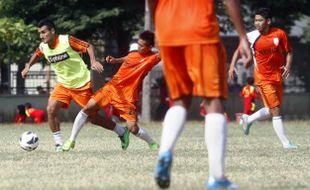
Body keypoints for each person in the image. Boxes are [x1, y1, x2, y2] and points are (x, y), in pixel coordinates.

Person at [148, 0, 252, 189]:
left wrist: (158, 25)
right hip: (200, 29)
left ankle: (165, 152)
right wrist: (242, 36)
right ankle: (217, 177)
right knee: (213, 103)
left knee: (179, 101)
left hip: (167, 29)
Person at [21, 19, 129, 152]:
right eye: (40, 33)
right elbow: (37, 54)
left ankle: (122, 131)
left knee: (94, 119)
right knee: (51, 109)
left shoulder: (67, 40)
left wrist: (93, 61)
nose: (41, 36)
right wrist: (27, 67)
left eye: (43, 32)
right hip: (63, 84)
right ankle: (58, 144)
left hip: (82, 84)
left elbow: (88, 46)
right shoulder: (43, 46)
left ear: (52, 31)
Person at [62, 31, 161, 151]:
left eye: (142, 45)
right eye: (138, 44)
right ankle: (71, 140)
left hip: (127, 96)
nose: (139, 47)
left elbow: (166, 53)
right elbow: (129, 58)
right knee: (87, 108)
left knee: (133, 128)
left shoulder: (152, 59)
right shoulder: (134, 51)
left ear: (150, 47)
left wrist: (160, 40)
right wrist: (115, 60)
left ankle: (152, 144)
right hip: (112, 88)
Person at [228, 8, 297, 148]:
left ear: (268, 21)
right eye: (255, 20)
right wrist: (232, 65)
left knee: (271, 110)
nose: (257, 23)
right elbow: (239, 50)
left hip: (277, 77)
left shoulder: (279, 34)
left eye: (260, 20)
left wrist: (288, 66)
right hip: (262, 78)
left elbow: (289, 51)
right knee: (276, 109)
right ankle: (286, 143)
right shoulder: (252, 36)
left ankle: (248, 119)